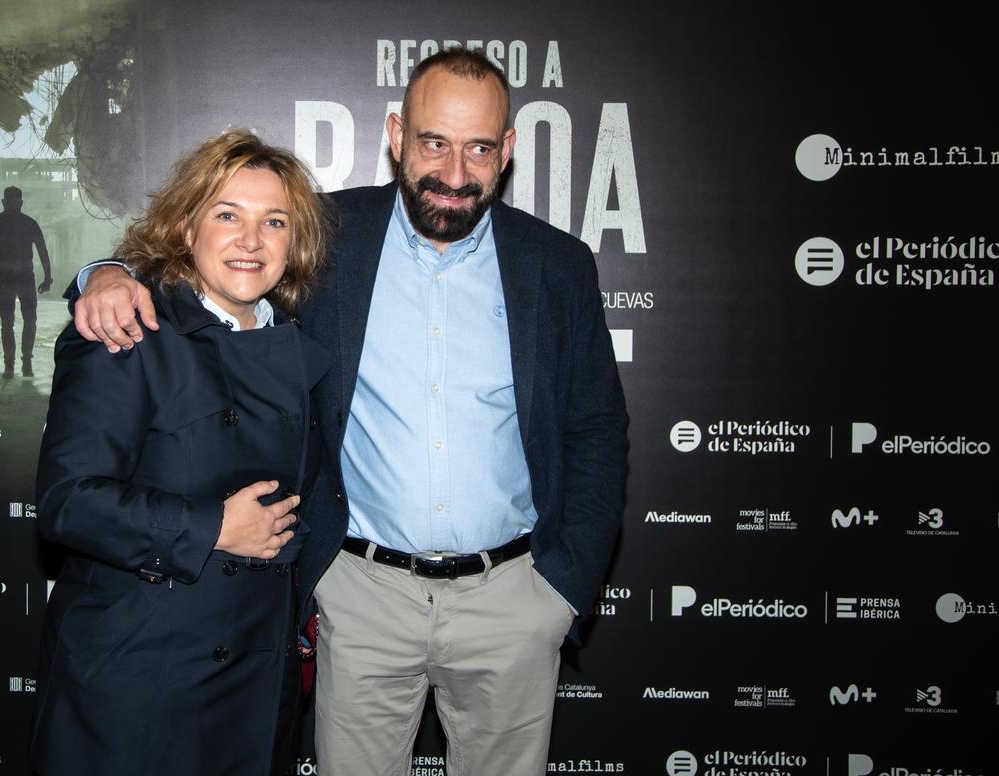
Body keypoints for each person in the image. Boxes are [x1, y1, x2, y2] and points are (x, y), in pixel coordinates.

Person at [72, 48, 628, 776]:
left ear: (507, 153)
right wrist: (106, 273)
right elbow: (215, 255)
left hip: (513, 602)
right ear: (396, 136)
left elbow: (596, 428)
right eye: (434, 142)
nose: (454, 172)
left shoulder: (557, 264)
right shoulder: (328, 235)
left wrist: (564, 588)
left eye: (479, 148)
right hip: (361, 597)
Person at [30, 130, 331, 776]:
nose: (250, 241)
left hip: (253, 696)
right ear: (186, 225)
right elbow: (67, 502)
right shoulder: (128, 328)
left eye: (273, 222)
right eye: (228, 215)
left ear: (293, 241)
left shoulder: (296, 346)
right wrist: (213, 527)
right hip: (140, 689)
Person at [0, 186, 53, 378]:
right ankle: (23, 363)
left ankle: (12, 365)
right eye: (12, 202)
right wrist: (47, 277)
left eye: (12, 202)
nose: (12, 205)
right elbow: (43, 252)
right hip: (23, 279)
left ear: (5, 202)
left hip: (6, 279)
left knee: (9, 321)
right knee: (27, 319)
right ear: (20, 203)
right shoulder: (29, 223)